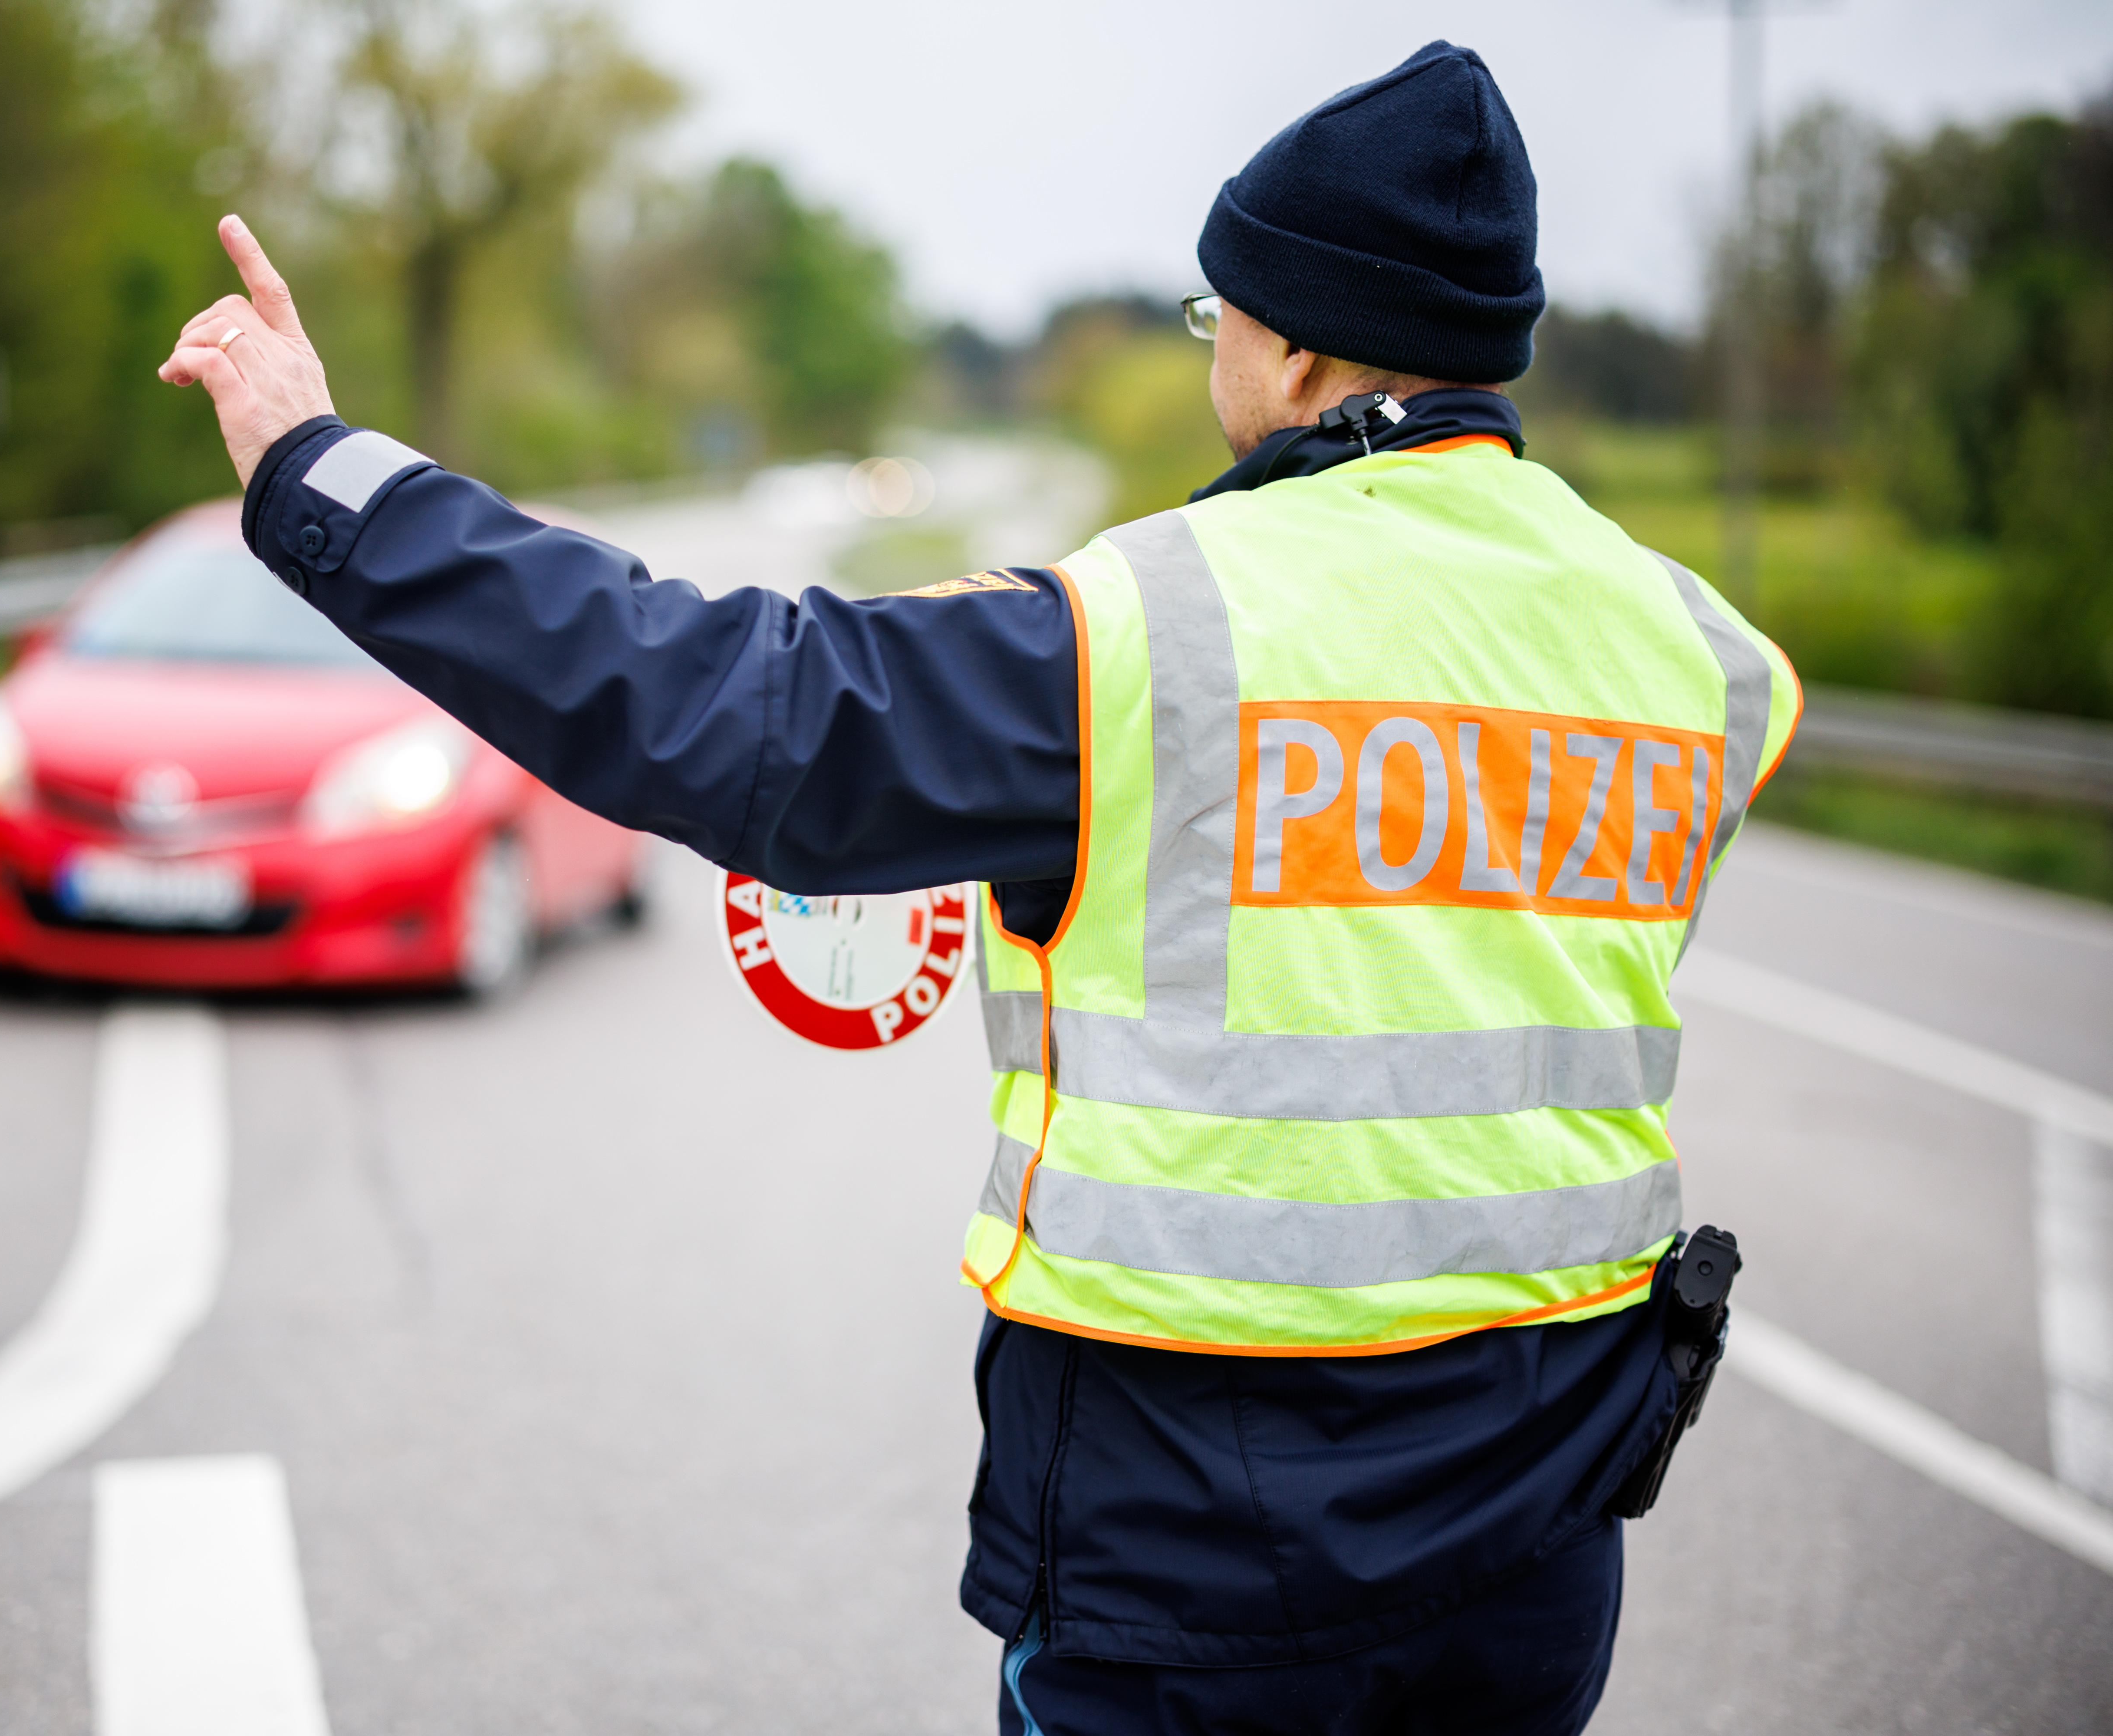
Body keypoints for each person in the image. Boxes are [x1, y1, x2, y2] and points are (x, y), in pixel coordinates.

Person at [159, 40, 1797, 1735]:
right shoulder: (1695, 652)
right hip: (1543, 1552)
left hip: (1210, 1561)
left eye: (1212, 316)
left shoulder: (1146, 629)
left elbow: (723, 701)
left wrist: (320, 474)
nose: (1213, 350)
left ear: (1294, 342)